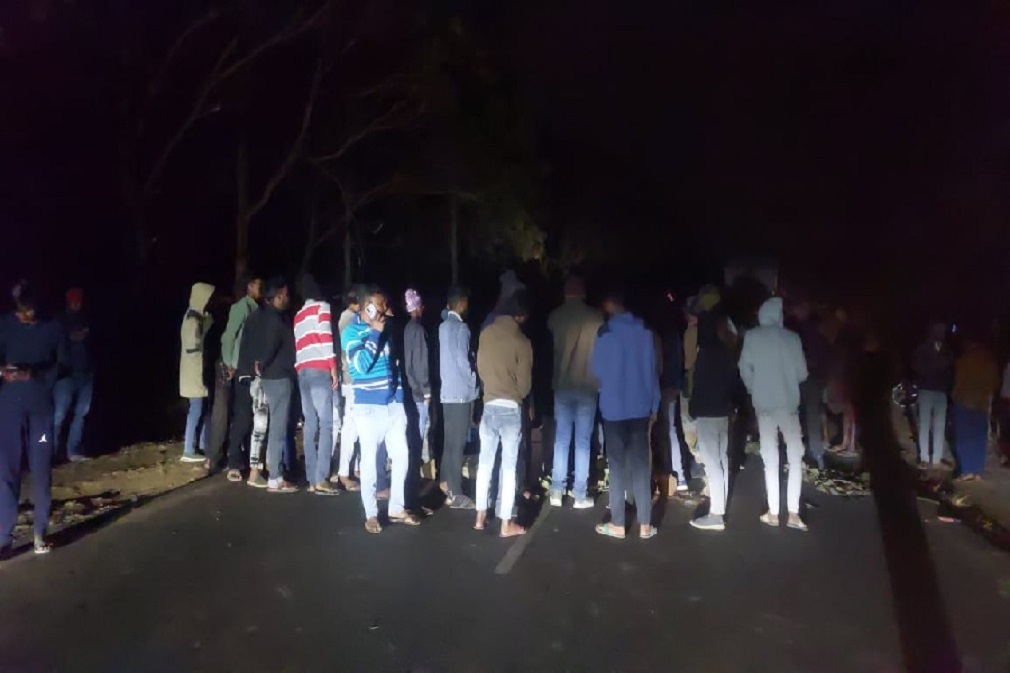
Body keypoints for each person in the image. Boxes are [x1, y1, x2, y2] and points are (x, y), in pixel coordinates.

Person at [342, 286, 420, 532]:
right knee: (369, 462)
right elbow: (361, 366)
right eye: (380, 304)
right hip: (368, 406)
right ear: (366, 306)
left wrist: (398, 397)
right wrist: (375, 333)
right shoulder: (351, 331)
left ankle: (396, 507)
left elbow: (393, 364)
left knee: (402, 456)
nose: (384, 309)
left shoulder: (387, 328)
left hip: (393, 405)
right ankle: (371, 513)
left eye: (385, 304)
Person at [0, 285, 65, 555]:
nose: (27, 315)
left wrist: (34, 374)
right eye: (22, 311)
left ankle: (40, 533)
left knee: (41, 467)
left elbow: (63, 364)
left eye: (30, 310)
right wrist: (3, 371)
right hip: (10, 407)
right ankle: (3, 538)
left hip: (40, 410)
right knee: (6, 471)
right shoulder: (5, 326)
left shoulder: (52, 327)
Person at [591, 288, 660, 540]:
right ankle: (645, 525)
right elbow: (652, 372)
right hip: (640, 407)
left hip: (613, 409)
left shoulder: (605, 334)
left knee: (617, 466)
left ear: (610, 305)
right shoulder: (645, 333)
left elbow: (596, 370)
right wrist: (655, 405)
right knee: (641, 467)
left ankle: (618, 523)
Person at [739, 297, 809, 531]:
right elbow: (802, 373)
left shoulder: (752, 337)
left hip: (764, 406)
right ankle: (794, 514)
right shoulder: (792, 338)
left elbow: (744, 369)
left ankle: (773, 512)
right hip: (789, 406)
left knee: (770, 459)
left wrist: (754, 387)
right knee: (795, 457)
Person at [474, 292, 533, 537]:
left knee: (485, 462)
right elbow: (525, 385)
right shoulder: (522, 341)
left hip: (489, 404)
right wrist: (515, 393)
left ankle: (480, 515)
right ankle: (506, 523)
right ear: (521, 316)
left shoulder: (486, 334)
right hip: (510, 407)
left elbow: (480, 368)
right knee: (508, 467)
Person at [547, 276, 603, 509]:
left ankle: (556, 489)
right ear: (583, 293)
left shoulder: (555, 317)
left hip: (562, 385)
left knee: (561, 439)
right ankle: (579, 493)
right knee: (583, 441)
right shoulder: (596, 318)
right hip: (588, 386)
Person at [245, 278, 298, 493]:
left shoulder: (262, 316)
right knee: (277, 428)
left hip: (270, 377)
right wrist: (263, 364)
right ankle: (275, 477)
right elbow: (272, 345)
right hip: (278, 377)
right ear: (275, 296)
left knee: (268, 426)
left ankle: (271, 472)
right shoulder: (276, 319)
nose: (286, 298)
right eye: (283, 295)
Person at [689, 314, 739, 531]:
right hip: (723, 411)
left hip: (707, 412)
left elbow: (698, 383)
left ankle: (716, 514)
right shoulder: (727, 352)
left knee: (712, 464)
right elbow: (734, 382)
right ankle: (721, 505)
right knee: (721, 460)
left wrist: (693, 408)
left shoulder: (705, 353)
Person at [294, 274, 340, 495]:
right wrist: (333, 367)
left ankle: (312, 478)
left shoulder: (298, 315)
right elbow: (326, 338)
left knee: (310, 423)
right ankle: (322, 478)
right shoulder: (322, 308)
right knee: (326, 424)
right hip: (320, 369)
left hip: (302, 370)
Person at [216, 273, 263, 481]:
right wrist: (230, 363)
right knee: (243, 417)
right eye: (258, 284)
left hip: (254, 370)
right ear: (250, 286)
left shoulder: (257, 308)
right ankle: (233, 462)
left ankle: (247, 460)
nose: (261, 288)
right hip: (240, 369)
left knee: (254, 418)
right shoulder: (241, 307)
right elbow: (229, 336)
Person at [439, 286, 478, 508]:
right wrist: (474, 383)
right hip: (461, 393)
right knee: (458, 443)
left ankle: (446, 482)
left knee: (449, 441)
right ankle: (456, 492)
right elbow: (464, 362)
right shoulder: (462, 328)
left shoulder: (443, 327)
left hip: (447, 392)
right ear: (461, 304)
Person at [951, 331, 999, 481]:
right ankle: (977, 471)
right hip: (982, 403)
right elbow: (995, 382)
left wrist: (955, 395)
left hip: (964, 400)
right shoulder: (990, 361)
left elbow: (957, 379)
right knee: (979, 438)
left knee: (963, 437)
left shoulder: (965, 359)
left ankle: (966, 470)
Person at [54, 287, 93, 462]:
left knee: (81, 413)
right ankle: (51, 452)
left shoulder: (85, 317)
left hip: (85, 371)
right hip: (65, 374)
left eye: (79, 300)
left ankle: (73, 450)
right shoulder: (60, 320)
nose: (77, 303)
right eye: (74, 300)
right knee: (59, 415)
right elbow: (59, 342)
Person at [333, 285, 365, 491]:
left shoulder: (349, 317)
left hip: (352, 379)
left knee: (355, 425)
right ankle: (344, 472)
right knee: (350, 426)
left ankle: (354, 468)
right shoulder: (348, 319)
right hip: (352, 380)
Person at [793, 301, 832, 469]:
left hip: (807, 377)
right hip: (814, 377)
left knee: (804, 415)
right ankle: (816, 455)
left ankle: (806, 454)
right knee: (813, 415)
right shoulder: (817, 329)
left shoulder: (802, 330)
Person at [179, 282, 215, 463]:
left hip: (195, 372)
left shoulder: (194, 318)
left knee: (200, 409)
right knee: (196, 409)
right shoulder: (192, 321)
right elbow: (194, 348)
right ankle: (188, 449)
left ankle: (199, 446)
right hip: (194, 373)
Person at [912, 321, 954, 468]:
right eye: (938, 330)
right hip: (926, 389)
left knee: (940, 425)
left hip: (941, 391)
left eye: (943, 330)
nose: (941, 333)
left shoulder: (947, 350)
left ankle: (937, 457)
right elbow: (917, 367)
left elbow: (951, 371)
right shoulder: (923, 349)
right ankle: (924, 457)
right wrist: (937, 366)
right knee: (924, 424)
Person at [403, 288, 433, 475]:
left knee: (415, 428)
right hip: (420, 390)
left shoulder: (408, 328)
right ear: (417, 307)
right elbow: (421, 361)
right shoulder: (419, 330)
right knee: (422, 428)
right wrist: (427, 389)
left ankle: (415, 466)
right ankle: (416, 469)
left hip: (411, 385)